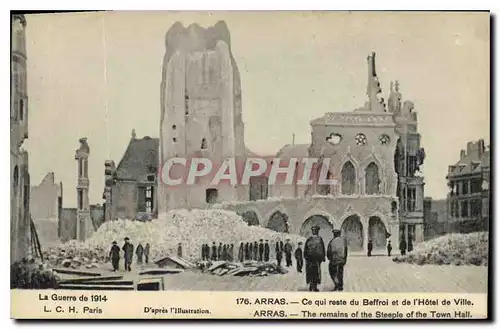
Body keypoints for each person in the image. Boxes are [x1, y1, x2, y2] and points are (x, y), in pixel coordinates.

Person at [304, 226, 326, 292]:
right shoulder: (320, 239)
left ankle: (311, 286)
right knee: (316, 273)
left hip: (310, 260)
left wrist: (306, 257)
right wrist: (323, 257)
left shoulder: (309, 239)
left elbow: (305, 250)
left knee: (310, 272)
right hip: (316, 260)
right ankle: (314, 287)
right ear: (317, 231)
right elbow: (322, 249)